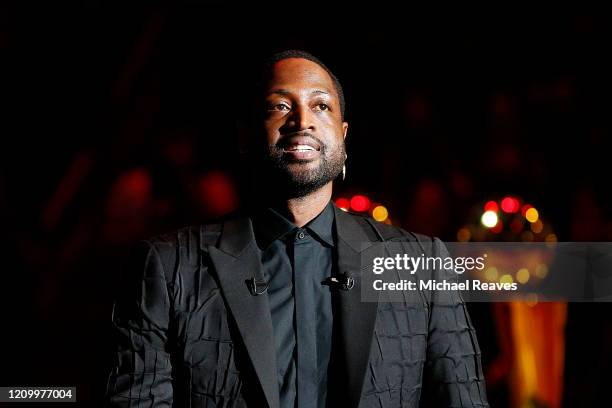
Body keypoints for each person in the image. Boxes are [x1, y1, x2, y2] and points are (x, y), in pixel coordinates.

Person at [105, 49, 489, 408]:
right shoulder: (168, 266)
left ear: (343, 137)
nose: (301, 121)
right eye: (280, 106)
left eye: (320, 106)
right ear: (245, 136)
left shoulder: (422, 264)